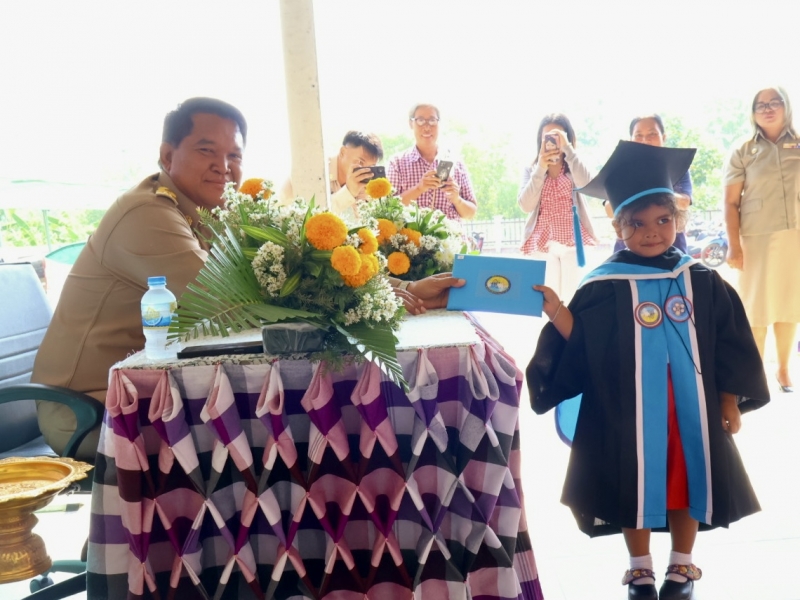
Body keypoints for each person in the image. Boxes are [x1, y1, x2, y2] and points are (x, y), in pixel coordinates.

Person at [527, 141, 769, 600]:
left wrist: (728, 401)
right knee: (632, 481)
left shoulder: (701, 278)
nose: (651, 232)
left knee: (687, 478)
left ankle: (682, 564)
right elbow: (584, 341)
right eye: (636, 224)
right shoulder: (604, 283)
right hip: (628, 411)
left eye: (662, 220)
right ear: (618, 227)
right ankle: (639, 569)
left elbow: (731, 345)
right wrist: (557, 310)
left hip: (689, 411)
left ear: (678, 220)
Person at [31, 97, 248, 460]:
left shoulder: (199, 215)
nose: (223, 167)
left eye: (235, 156)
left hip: (145, 392)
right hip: (88, 409)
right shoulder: (147, 212)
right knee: (256, 432)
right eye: (206, 150)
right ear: (167, 156)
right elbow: (230, 306)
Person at [723, 86, 800, 393]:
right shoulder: (743, 150)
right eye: (760, 105)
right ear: (753, 112)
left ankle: (783, 368)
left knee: (789, 304)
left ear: (786, 106)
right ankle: (755, 375)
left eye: (774, 102)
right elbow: (731, 203)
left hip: (795, 237)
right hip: (755, 240)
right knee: (755, 309)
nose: (768, 109)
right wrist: (734, 245)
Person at [517, 113, 598, 302]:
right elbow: (525, 205)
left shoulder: (574, 165)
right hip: (542, 243)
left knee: (573, 300)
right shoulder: (531, 169)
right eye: (547, 136)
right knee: (548, 301)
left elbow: (587, 185)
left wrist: (568, 150)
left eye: (558, 135)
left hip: (573, 240)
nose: (552, 140)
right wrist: (541, 167)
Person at [605, 114, 693, 253]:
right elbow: (610, 210)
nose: (645, 140)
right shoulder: (620, 169)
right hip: (630, 251)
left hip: (672, 250)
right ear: (630, 139)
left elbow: (684, 203)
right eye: (638, 135)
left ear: (663, 137)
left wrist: (647, 190)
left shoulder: (678, 167)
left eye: (652, 134)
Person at [387, 103, 477, 221]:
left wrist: (457, 199)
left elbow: (471, 213)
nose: (427, 127)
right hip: (411, 233)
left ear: (439, 123)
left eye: (432, 120)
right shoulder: (397, 163)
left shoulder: (455, 162)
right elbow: (388, 208)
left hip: (451, 232)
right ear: (411, 123)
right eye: (420, 120)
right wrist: (419, 188)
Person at [278, 130, 384, 220]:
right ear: (342, 152)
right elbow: (311, 217)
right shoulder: (314, 171)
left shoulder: (365, 181)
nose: (365, 170)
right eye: (360, 162)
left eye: (371, 167)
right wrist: (349, 192)